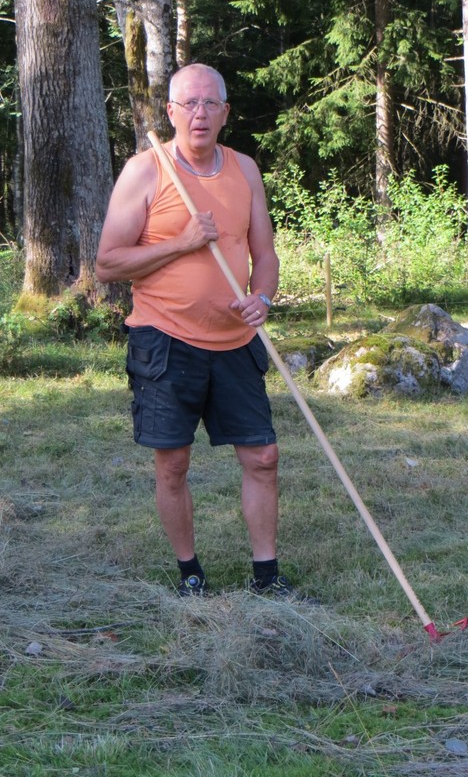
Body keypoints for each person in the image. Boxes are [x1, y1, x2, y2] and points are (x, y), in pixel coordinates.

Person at [96, 63, 292, 599]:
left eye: (210, 104)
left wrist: (262, 297)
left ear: (225, 112)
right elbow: (108, 263)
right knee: (173, 464)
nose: (199, 114)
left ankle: (267, 577)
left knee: (263, 457)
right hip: (165, 340)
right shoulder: (146, 170)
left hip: (236, 341)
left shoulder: (245, 170)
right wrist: (181, 242)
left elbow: (265, 254)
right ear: (171, 112)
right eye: (189, 104)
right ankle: (190, 573)